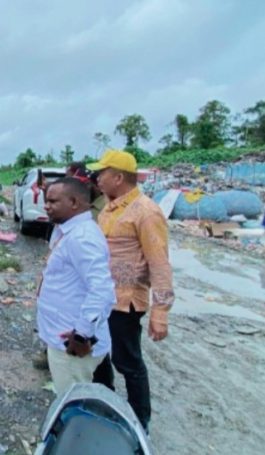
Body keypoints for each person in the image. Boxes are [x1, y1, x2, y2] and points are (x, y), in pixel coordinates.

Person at [87, 149, 174, 432]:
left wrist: (160, 313)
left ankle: (139, 422)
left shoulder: (146, 212)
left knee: (128, 363)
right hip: (102, 298)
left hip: (125, 302)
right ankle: (105, 405)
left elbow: (159, 264)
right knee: (98, 356)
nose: (97, 178)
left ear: (118, 177)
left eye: (102, 173)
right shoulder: (108, 208)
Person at [36, 178, 116, 395]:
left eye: (53, 201)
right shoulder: (69, 230)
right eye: (46, 201)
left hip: (72, 346)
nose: (46, 206)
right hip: (63, 336)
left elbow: (102, 291)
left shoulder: (82, 237)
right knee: (75, 398)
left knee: (74, 403)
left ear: (73, 202)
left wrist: (82, 335)